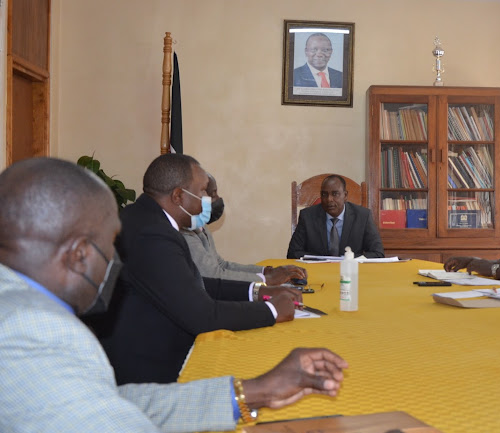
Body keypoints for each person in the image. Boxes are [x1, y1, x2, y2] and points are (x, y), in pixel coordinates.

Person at [0, 157, 348, 433]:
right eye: (109, 245)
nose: (116, 261)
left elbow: (117, 402)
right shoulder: (30, 330)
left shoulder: (23, 308)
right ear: (78, 254)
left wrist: (257, 391)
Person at [90, 154, 302, 385]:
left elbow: (190, 283)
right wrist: (271, 311)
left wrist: (256, 291)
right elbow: (203, 315)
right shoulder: (153, 235)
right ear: (178, 196)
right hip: (151, 370)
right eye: (201, 192)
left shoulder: (146, 220)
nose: (206, 201)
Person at [183, 173, 307, 283]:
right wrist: (266, 280)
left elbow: (221, 265)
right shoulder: (186, 233)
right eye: (213, 194)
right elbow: (213, 275)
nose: (217, 199)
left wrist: (267, 271)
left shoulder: (200, 226)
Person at [287, 174, 384, 259]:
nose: (329, 199)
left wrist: (348, 259)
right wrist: (320, 260)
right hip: (318, 273)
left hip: (350, 272)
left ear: (345, 195)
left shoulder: (363, 216)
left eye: (335, 194)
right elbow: (293, 253)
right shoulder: (307, 217)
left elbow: (378, 253)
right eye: (324, 194)